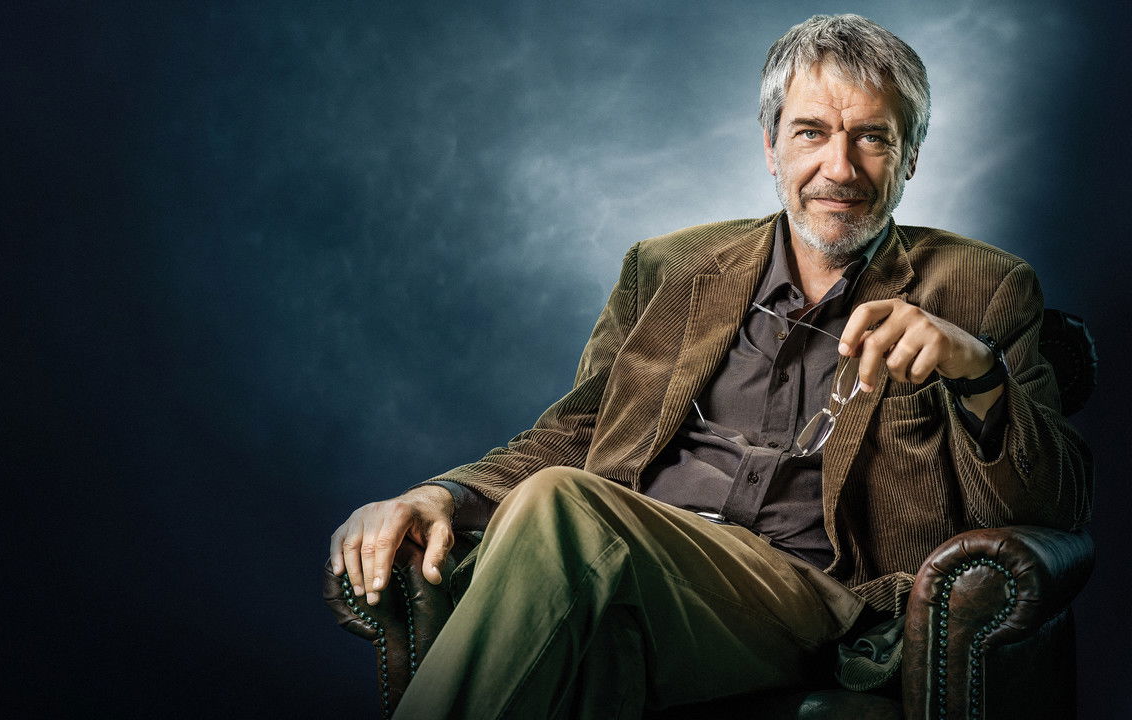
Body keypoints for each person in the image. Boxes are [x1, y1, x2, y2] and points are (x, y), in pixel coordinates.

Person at [327, 13, 1091, 718]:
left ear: (911, 156)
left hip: (808, 597)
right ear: (770, 146)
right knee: (588, 615)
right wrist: (439, 493)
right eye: (811, 133)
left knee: (564, 506)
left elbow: (1056, 507)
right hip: (633, 571)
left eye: (873, 138)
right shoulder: (668, 267)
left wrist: (977, 373)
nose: (840, 167)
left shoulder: (981, 286)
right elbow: (575, 433)